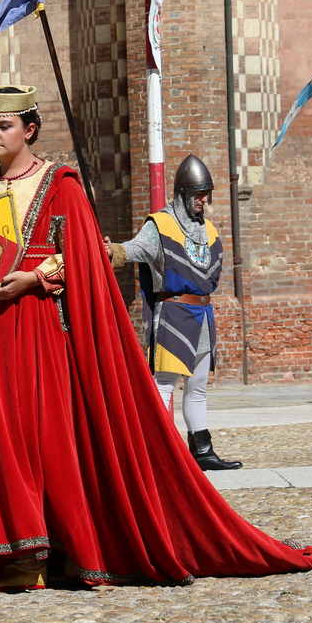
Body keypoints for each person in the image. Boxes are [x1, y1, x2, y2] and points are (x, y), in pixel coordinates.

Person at [0, 85, 312, 592]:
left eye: (4, 126)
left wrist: (36, 277)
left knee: (45, 434)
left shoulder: (60, 184)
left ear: (30, 129)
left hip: (41, 325)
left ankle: (52, 546)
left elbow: (85, 258)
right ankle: (11, 544)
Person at [105, 155, 241, 471]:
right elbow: (132, 250)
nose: (204, 199)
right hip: (174, 314)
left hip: (204, 315)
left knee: (197, 388)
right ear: (183, 194)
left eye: (206, 192)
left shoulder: (209, 229)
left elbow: (213, 272)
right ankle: (161, 453)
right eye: (199, 193)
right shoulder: (161, 224)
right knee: (164, 383)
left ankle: (202, 451)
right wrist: (112, 250)